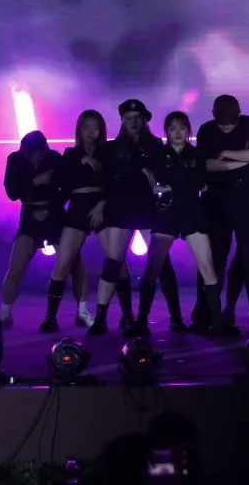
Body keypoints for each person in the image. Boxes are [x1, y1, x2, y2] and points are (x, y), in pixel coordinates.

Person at [126, 111, 228, 337]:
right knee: (152, 269)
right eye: (172, 129)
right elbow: (153, 177)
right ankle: (141, 320)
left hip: (192, 213)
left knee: (208, 269)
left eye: (181, 128)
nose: (178, 133)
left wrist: (172, 185)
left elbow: (200, 183)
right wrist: (148, 171)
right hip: (167, 213)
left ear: (188, 130)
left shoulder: (197, 154)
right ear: (167, 132)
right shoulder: (159, 154)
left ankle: (217, 323)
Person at [191, 94, 249, 332]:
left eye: (230, 124)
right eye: (222, 124)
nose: (225, 127)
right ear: (214, 116)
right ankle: (205, 316)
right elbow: (209, 165)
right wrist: (240, 160)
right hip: (217, 201)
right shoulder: (206, 131)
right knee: (212, 259)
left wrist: (225, 153)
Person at [88, 99, 164, 335]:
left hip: (148, 208)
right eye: (129, 118)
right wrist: (138, 169)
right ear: (122, 120)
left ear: (145, 120)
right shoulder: (111, 148)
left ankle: (141, 319)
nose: (134, 122)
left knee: (156, 264)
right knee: (113, 263)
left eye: (138, 117)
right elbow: (107, 178)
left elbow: (161, 171)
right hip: (121, 207)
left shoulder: (155, 145)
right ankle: (101, 317)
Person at [37, 110, 106, 332]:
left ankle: (126, 316)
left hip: (102, 207)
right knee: (63, 263)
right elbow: (63, 187)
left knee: (117, 261)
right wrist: (80, 160)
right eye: (86, 127)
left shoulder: (108, 152)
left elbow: (115, 183)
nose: (91, 132)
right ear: (79, 130)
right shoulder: (69, 154)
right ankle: (50, 317)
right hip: (77, 207)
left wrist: (101, 205)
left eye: (95, 127)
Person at [1, 130, 63, 328]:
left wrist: (50, 209)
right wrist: (35, 181)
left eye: (40, 153)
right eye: (33, 153)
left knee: (72, 263)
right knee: (15, 268)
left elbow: (67, 187)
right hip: (29, 215)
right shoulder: (15, 159)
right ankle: (5, 313)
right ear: (26, 152)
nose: (38, 157)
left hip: (54, 214)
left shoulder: (54, 158)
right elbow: (12, 192)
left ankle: (80, 310)